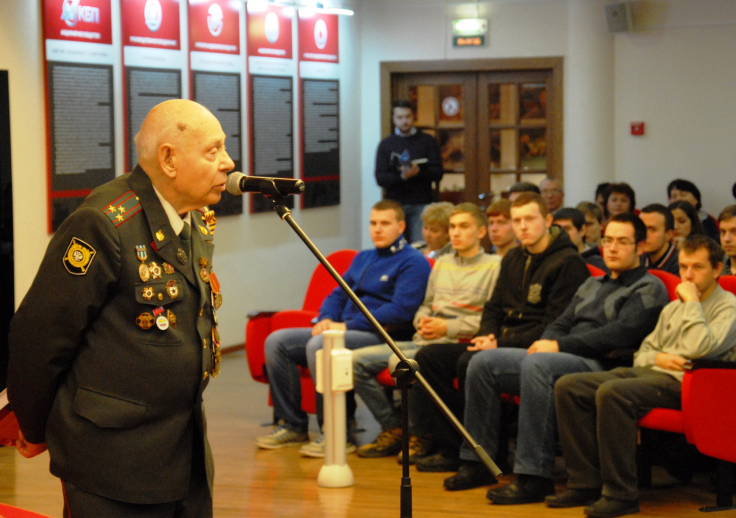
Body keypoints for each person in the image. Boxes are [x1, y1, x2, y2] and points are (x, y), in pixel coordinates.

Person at [7, 100, 234, 516]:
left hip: (183, 451)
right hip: (112, 463)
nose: (228, 162)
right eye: (213, 150)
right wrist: (35, 426)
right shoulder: (104, 223)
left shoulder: (193, 217)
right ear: (168, 159)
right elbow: (39, 336)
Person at [446, 213, 669, 499]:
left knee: (539, 364)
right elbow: (561, 321)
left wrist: (559, 347)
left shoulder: (649, 287)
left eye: (622, 242)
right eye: (608, 240)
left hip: (603, 363)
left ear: (640, 247)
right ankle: (480, 461)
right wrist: (547, 340)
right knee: (483, 362)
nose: (612, 248)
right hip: (564, 354)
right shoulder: (593, 283)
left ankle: (533, 476)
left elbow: (619, 335)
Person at [549, 235, 736, 518]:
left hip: (693, 384)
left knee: (613, 392)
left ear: (717, 269)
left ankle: (621, 494)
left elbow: (698, 349)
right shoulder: (675, 306)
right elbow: (644, 352)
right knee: (570, 386)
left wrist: (691, 303)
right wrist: (659, 357)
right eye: (683, 267)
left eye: (697, 267)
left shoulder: (729, 307)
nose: (688, 275)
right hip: (654, 372)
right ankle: (585, 483)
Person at [411, 192, 590, 473]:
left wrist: (498, 341)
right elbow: (493, 307)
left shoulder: (568, 263)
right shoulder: (514, 257)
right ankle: (452, 446)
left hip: (536, 347)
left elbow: (553, 325)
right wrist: (486, 335)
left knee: (469, 362)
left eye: (529, 219)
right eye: (517, 220)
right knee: (428, 358)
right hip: (500, 341)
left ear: (548, 220)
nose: (523, 226)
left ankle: (486, 453)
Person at [256, 200, 431, 455]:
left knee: (320, 345)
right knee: (277, 341)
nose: (377, 229)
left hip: (382, 335)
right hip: (346, 329)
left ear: (401, 226)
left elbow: (400, 310)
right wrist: (324, 318)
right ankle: (292, 426)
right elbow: (337, 294)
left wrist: (345, 325)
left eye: (385, 223)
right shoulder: (364, 258)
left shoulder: (413, 262)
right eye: (373, 223)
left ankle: (335, 432)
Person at [352, 203, 501, 459]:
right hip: (426, 337)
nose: (455, 233)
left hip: (457, 342)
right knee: (355, 362)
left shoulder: (494, 265)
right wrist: (422, 321)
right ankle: (394, 427)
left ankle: (420, 434)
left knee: (400, 361)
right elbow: (425, 305)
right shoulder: (441, 264)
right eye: (452, 227)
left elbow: (491, 319)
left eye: (464, 227)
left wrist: (448, 326)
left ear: (481, 232)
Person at [375, 99, 444, 243]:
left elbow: (438, 172)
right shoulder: (386, 144)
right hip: (394, 204)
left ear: (413, 117)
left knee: (420, 245)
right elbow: (380, 178)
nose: (404, 121)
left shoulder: (427, 141)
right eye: (400, 117)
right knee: (393, 246)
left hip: (421, 202)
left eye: (407, 116)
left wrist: (418, 172)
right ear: (393, 119)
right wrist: (402, 176)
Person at [552, 208, 607, 272]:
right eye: (558, 229)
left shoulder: (598, 264)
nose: (562, 233)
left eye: (567, 229)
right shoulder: (550, 260)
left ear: (582, 230)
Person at [638, 204, 679, 275]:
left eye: (652, 229)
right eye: (641, 228)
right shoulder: (638, 260)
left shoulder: (681, 265)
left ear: (669, 235)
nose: (644, 234)